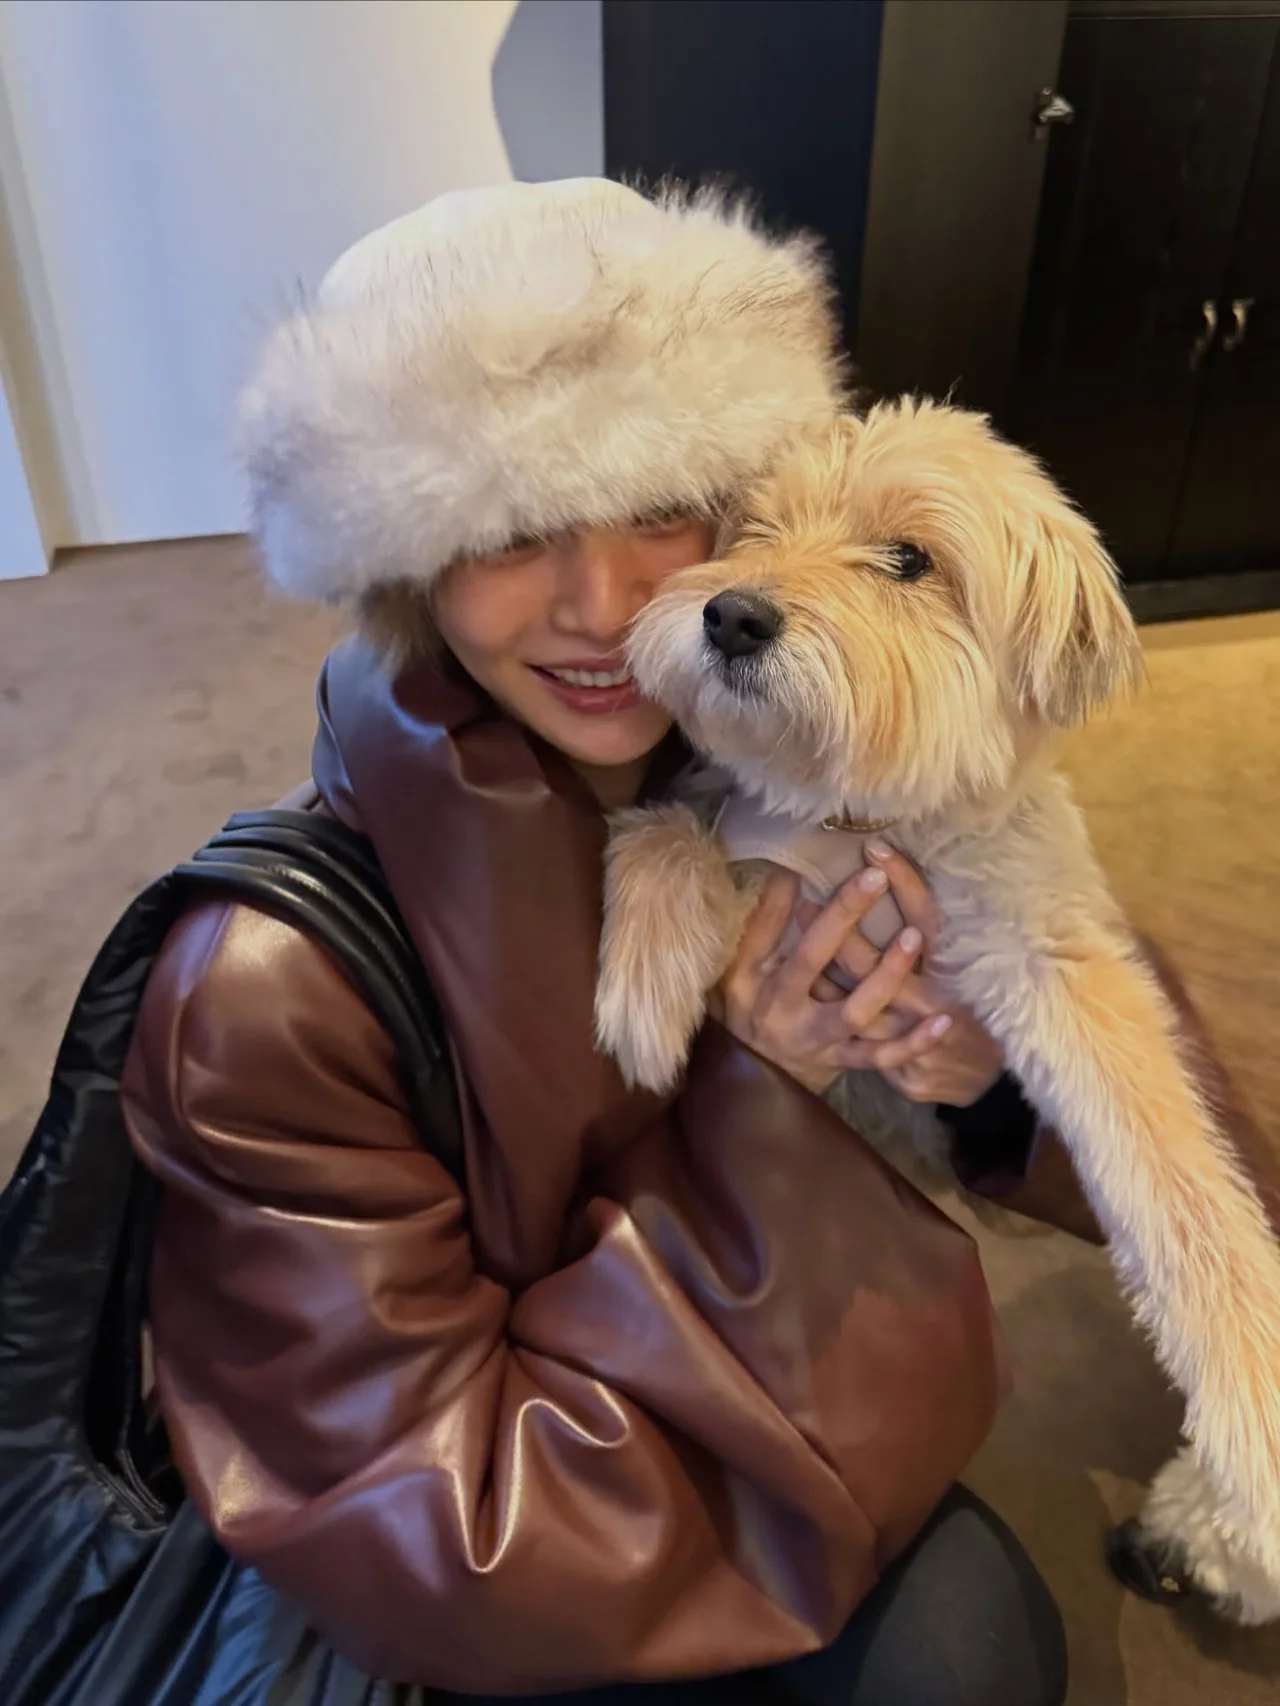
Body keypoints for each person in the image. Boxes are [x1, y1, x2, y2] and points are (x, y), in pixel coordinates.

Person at [122, 179, 1081, 1706]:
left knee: (976, 1634)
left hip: (740, 1370)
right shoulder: (263, 990)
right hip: (516, 1525)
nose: (607, 603)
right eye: (513, 529)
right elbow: (445, 1524)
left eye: (658, 503)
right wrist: (758, 1096)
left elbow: (1106, 1037)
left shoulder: (793, 741)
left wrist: (987, 1081)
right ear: (405, 561)